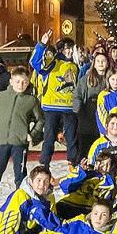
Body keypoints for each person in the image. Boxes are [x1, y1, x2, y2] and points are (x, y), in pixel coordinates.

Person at [0, 66, 44, 231]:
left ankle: (22, 210)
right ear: (11, 81)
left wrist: (32, 134)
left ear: (28, 82)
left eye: (24, 82)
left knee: (21, 178)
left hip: (19, 144)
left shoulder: (31, 100)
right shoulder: (0, 97)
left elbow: (41, 119)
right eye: (17, 81)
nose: (21, 85)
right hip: (1, 144)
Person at [30, 30, 80, 167]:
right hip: (52, 107)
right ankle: (44, 165)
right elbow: (35, 63)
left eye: (72, 48)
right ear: (61, 50)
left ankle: (73, 165)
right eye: (67, 48)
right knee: (49, 137)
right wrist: (42, 44)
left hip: (69, 108)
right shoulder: (53, 63)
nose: (70, 51)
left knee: (71, 138)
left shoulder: (74, 66)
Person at [0, 165, 58, 234]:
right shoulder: (20, 196)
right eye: (39, 180)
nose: (42, 185)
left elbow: (53, 220)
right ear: (31, 181)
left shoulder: (49, 198)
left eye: (46, 181)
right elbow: (9, 225)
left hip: (29, 232)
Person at [73, 52, 108, 159]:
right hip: (88, 113)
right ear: (94, 64)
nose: (101, 63)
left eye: (103, 61)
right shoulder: (86, 79)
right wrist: (78, 111)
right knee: (85, 146)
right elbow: (78, 95)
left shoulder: (110, 78)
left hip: (105, 114)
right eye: (98, 61)